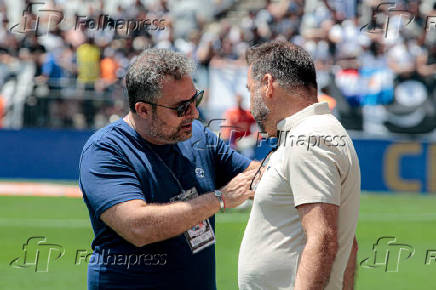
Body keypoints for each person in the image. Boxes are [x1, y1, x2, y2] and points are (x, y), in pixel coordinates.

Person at [79, 48, 258, 290]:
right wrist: (220, 199)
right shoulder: (106, 150)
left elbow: (254, 175)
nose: (194, 113)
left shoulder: (198, 136)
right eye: (182, 107)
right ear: (143, 109)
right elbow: (137, 226)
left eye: (196, 99)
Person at [238, 41, 360, 290]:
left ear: (268, 84)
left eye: (251, 89)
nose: (251, 105)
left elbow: (323, 239)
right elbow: (349, 242)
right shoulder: (312, 132)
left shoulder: (309, 137)